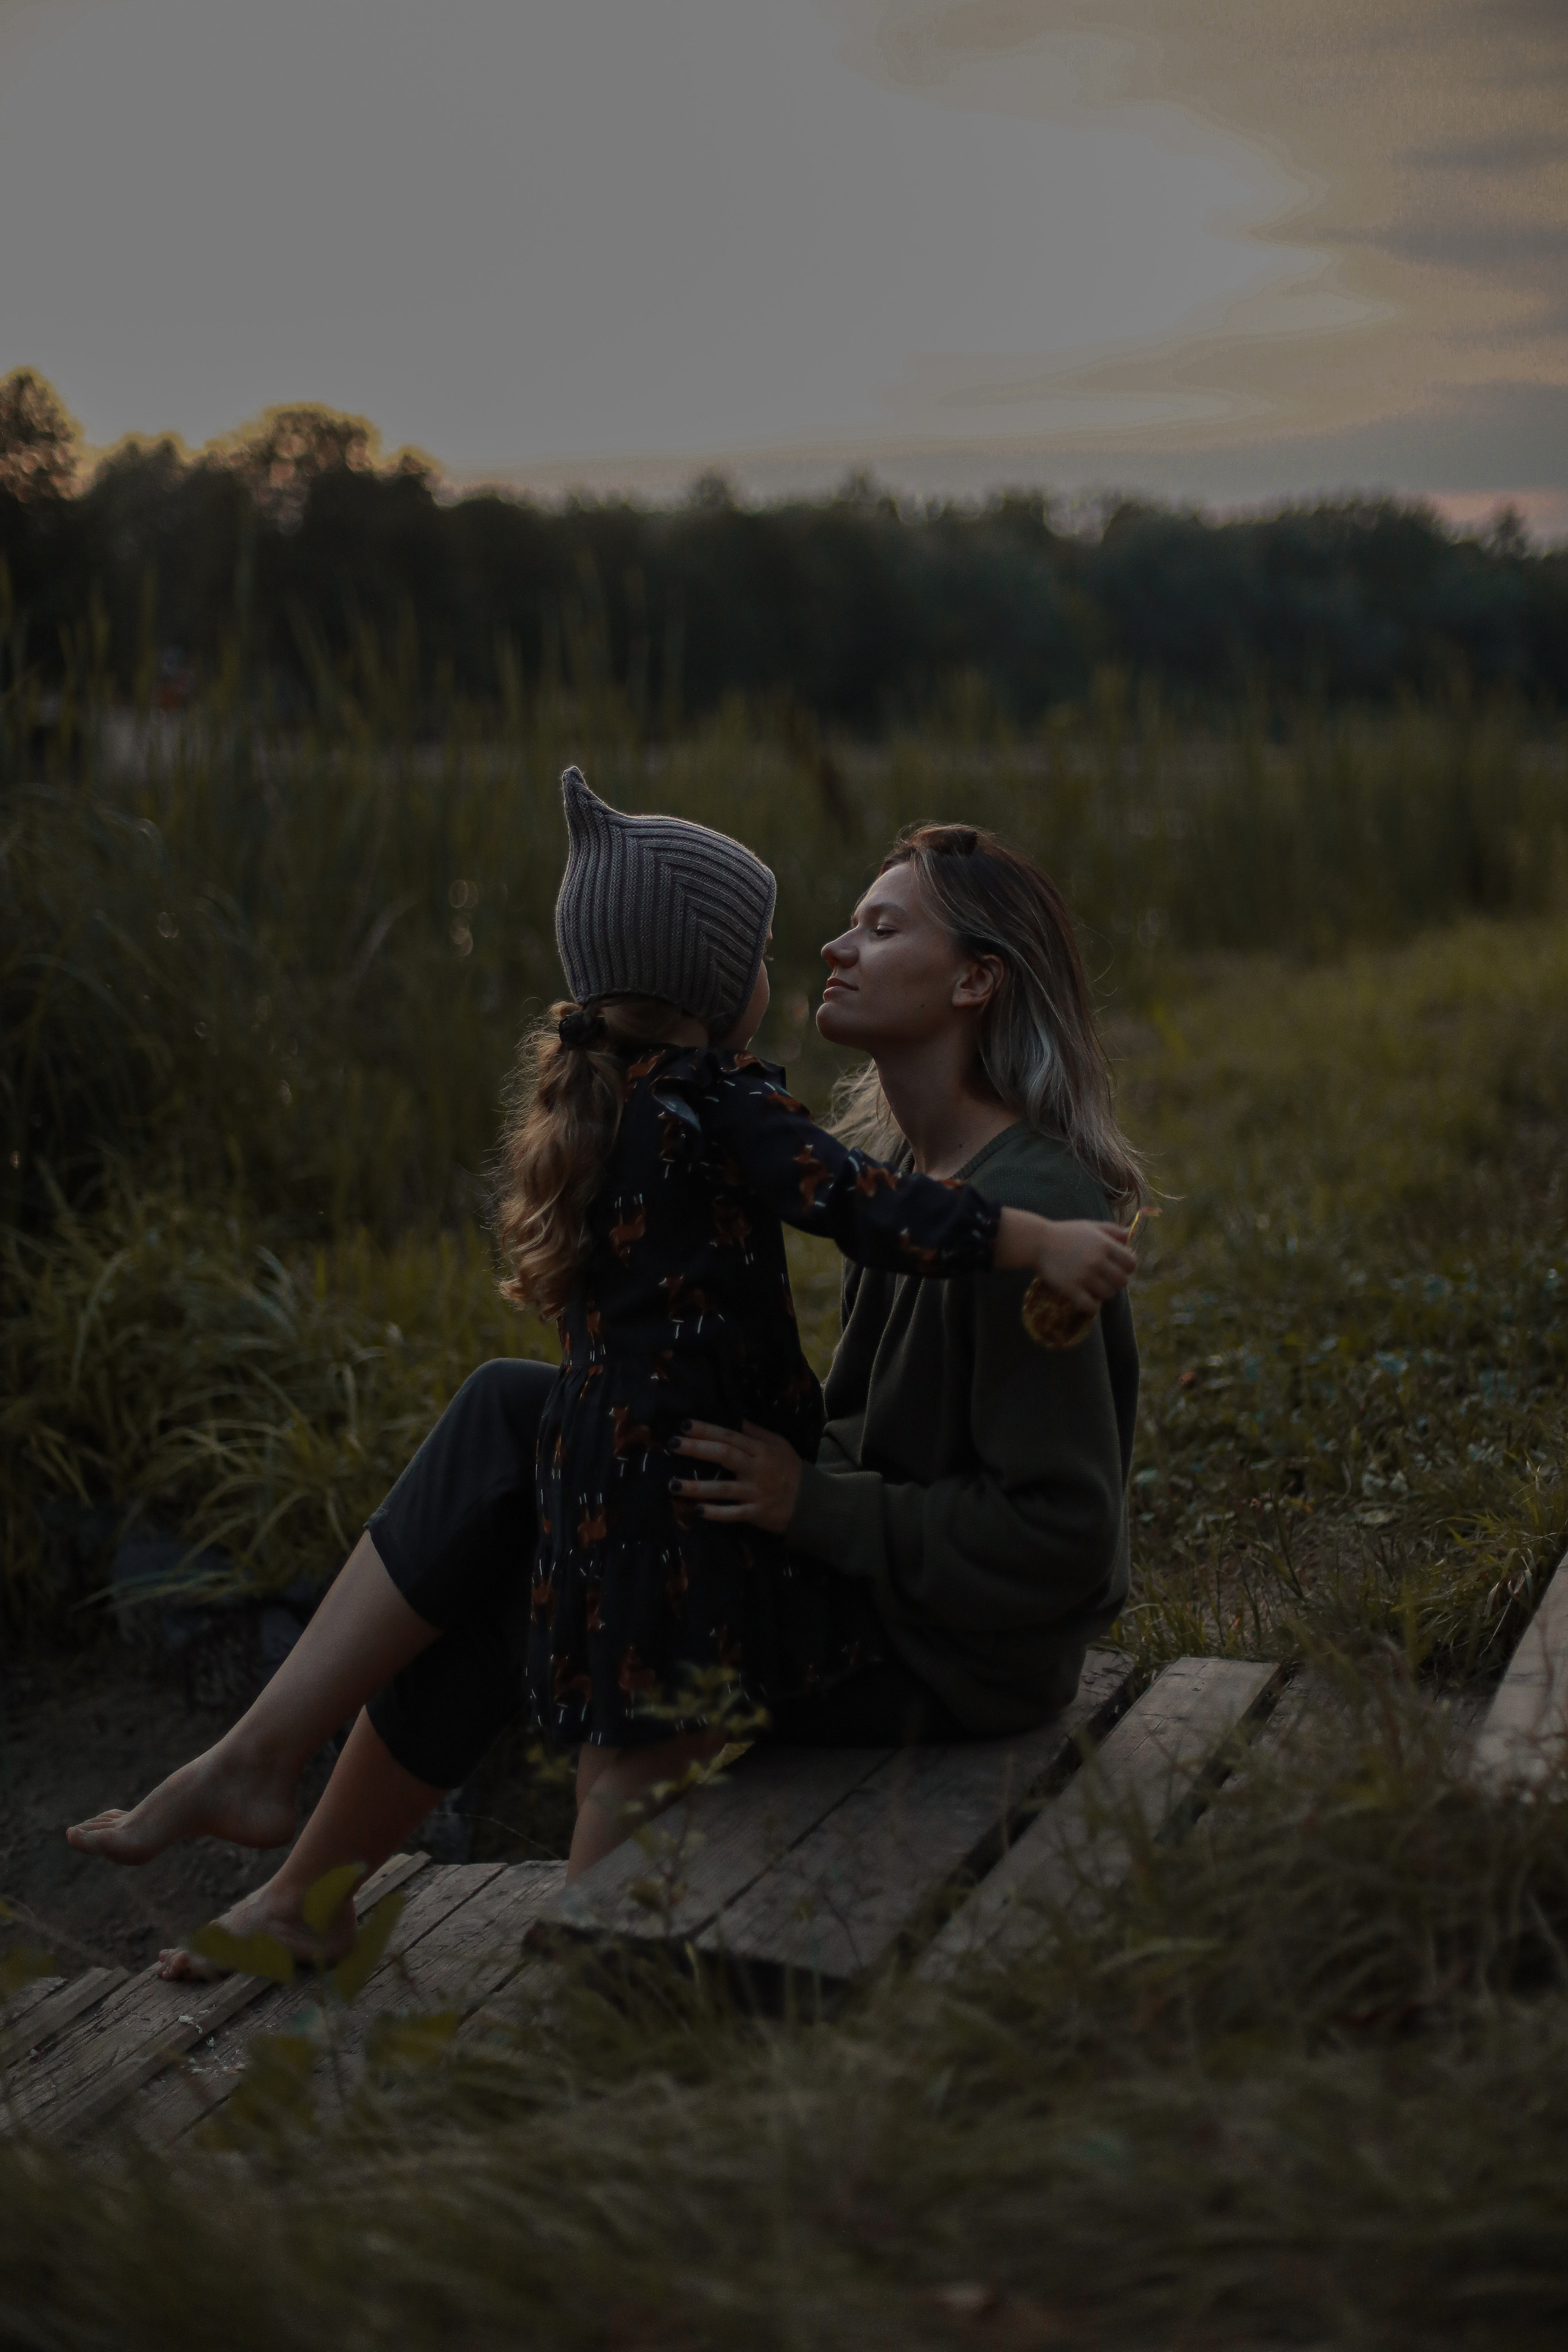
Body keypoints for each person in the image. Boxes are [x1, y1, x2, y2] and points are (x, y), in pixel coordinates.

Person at [67, 783, 1138, 1974]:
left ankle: (390, 1879)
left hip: (954, 1662)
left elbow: (1065, 1546)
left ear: (974, 980)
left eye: (883, 928)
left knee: (541, 1505)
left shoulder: (1025, 1207)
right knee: (527, 1421)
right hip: (873, 1591)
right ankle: (292, 1852)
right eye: (845, 922)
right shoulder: (918, 1177)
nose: (835, 946)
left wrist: (807, 1500)